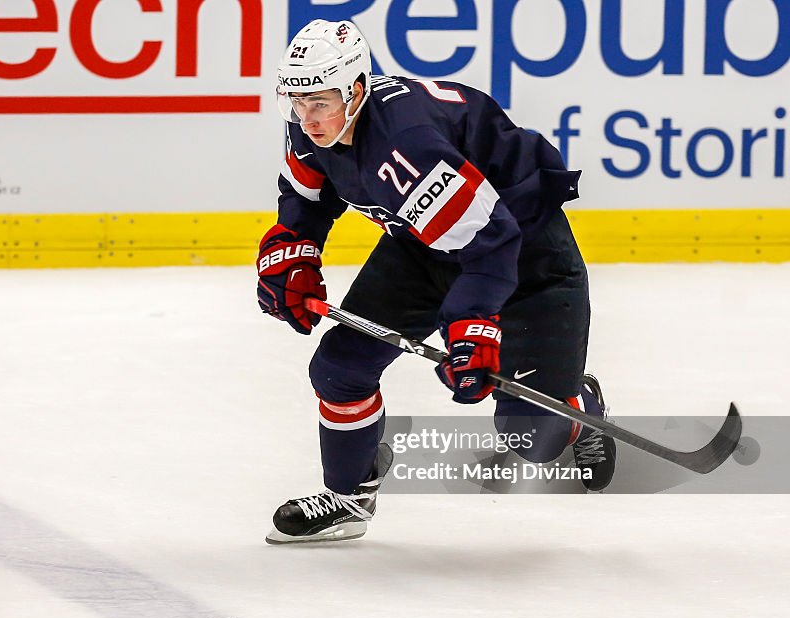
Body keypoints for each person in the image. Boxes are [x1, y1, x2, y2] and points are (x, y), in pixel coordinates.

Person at [257, 20, 616, 545]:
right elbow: (306, 201)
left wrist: (472, 326)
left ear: (356, 89)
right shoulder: (313, 130)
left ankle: (579, 404)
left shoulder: (407, 147)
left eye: (322, 103)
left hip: (526, 254)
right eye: (299, 102)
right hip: (424, 244)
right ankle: (349, 496)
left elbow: (492, 243)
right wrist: (294, 254)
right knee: (339, 368)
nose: (308, 119)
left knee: (531, 437)